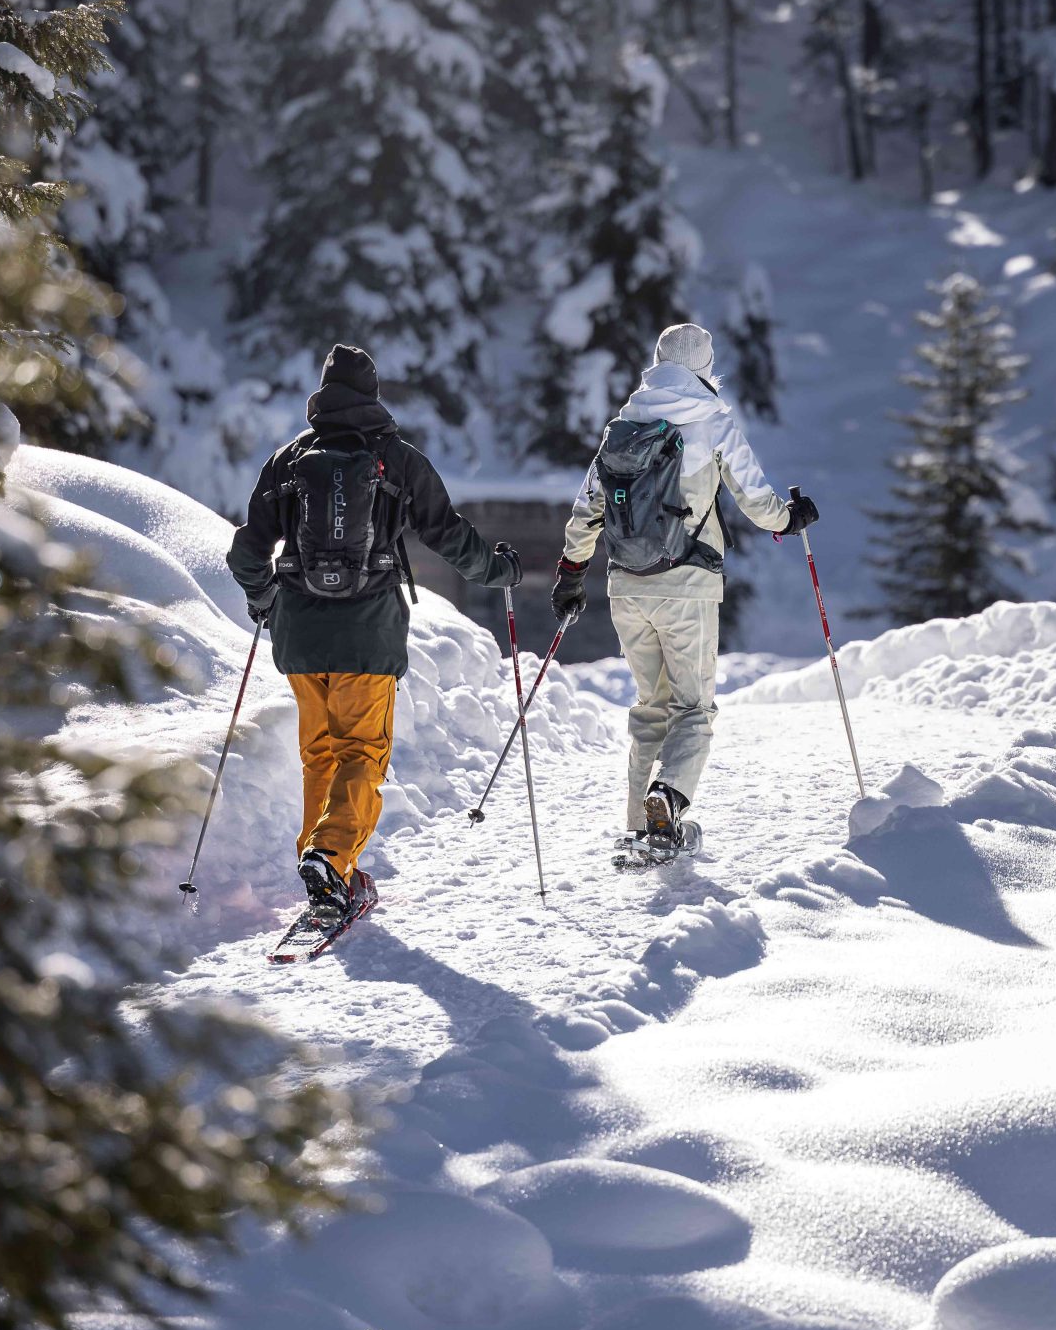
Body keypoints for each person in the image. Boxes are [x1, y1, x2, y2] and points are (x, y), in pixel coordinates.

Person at [229, 343, 518, 922]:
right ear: (373, 395)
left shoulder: (290, 460)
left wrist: (266, 603)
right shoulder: (397, 459)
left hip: (301, 639)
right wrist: (499, 570)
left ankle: (324, 862)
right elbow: (447, 533)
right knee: (363, 752)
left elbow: (246, 552)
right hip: (367, 635)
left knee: (321, 755)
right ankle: (331, 859)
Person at [552, 322, 818, 847]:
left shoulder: (623, 425)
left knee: (651, 705)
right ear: (703, 367)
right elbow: (757, 500)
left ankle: (639, 823)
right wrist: (790, 520)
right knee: (693, 708)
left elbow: (588, 508)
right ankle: (669, 797)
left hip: (627, 587)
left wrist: (571, 572)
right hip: (688, 586)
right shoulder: (713, 421)